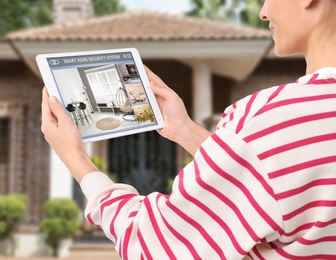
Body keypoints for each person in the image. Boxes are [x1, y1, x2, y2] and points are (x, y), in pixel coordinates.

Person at [41, 0, 336, 259]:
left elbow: (153, 245)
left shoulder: (266, 120)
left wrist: (76, 159)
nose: (262, 12)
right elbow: (272, 174)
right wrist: (185, 130)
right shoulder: (274, 131)